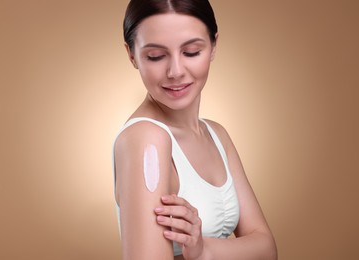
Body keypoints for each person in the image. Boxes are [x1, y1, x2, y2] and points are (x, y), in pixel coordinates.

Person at [113, 0, 277, 259]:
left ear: (213, 46)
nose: (175, 71)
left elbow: (266, 248)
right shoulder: (147, 140)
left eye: (191, 52)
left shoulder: (216, 134)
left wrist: (203, 250)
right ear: (132, 54)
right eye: (155, 56)